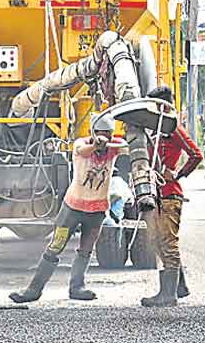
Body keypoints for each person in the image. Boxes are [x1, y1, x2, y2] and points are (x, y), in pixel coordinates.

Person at [9, 114, 127, 304]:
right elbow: (84, 149)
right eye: (99, 133)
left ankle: (77, 287)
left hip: (97, 210)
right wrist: (98, 144)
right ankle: (33, 289)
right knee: (55, 246)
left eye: (107, 133)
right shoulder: (82, 145)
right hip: (72, 209)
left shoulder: (114, 149)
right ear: (92, 133)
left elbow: (126, 145)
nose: (103, 137)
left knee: (86, 249)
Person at [142, 86, 203, 307]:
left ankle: (168, 294)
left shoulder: (173, 128)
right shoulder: (152, 129)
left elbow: (196, 154)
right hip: (155, 194)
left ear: (163, 105)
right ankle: (179, 286)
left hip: (169, 194)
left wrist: (177, 174)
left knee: (167, 243)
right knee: (158, 242)